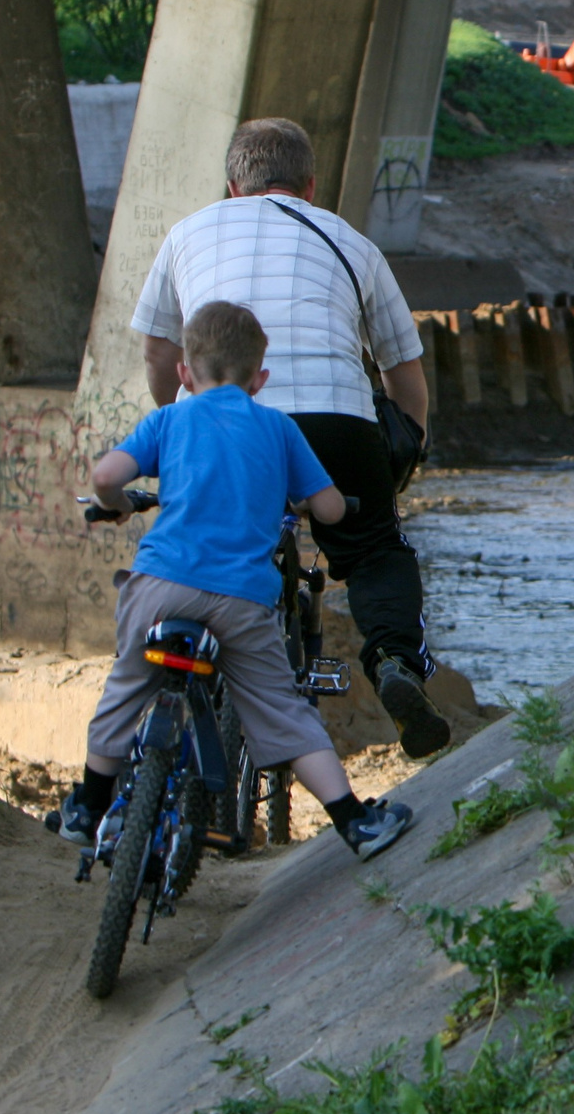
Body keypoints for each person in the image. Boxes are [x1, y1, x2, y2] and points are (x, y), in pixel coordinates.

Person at [131, 117, 451, 758]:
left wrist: (175, 427)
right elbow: (403, 373)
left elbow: (159, 354)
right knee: (372, 549)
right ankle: (393, 663)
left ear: (231, 186)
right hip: (337, 420)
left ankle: (186, 676)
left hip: (225, 422)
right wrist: (407, 448)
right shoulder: (353, 242)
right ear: (310, 186)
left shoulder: (186, 233)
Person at [61, 301, 414, 862]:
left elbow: (105, 476)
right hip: (240, 600)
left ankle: (87, 808)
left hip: (160, 585)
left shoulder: (169, 419)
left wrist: (120, 503)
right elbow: (326, 508)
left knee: (126, 688)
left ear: (183, 371)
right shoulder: (278, 428)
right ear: (260, 378)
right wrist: (315, 503)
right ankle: (355, 822)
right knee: (280, 708)